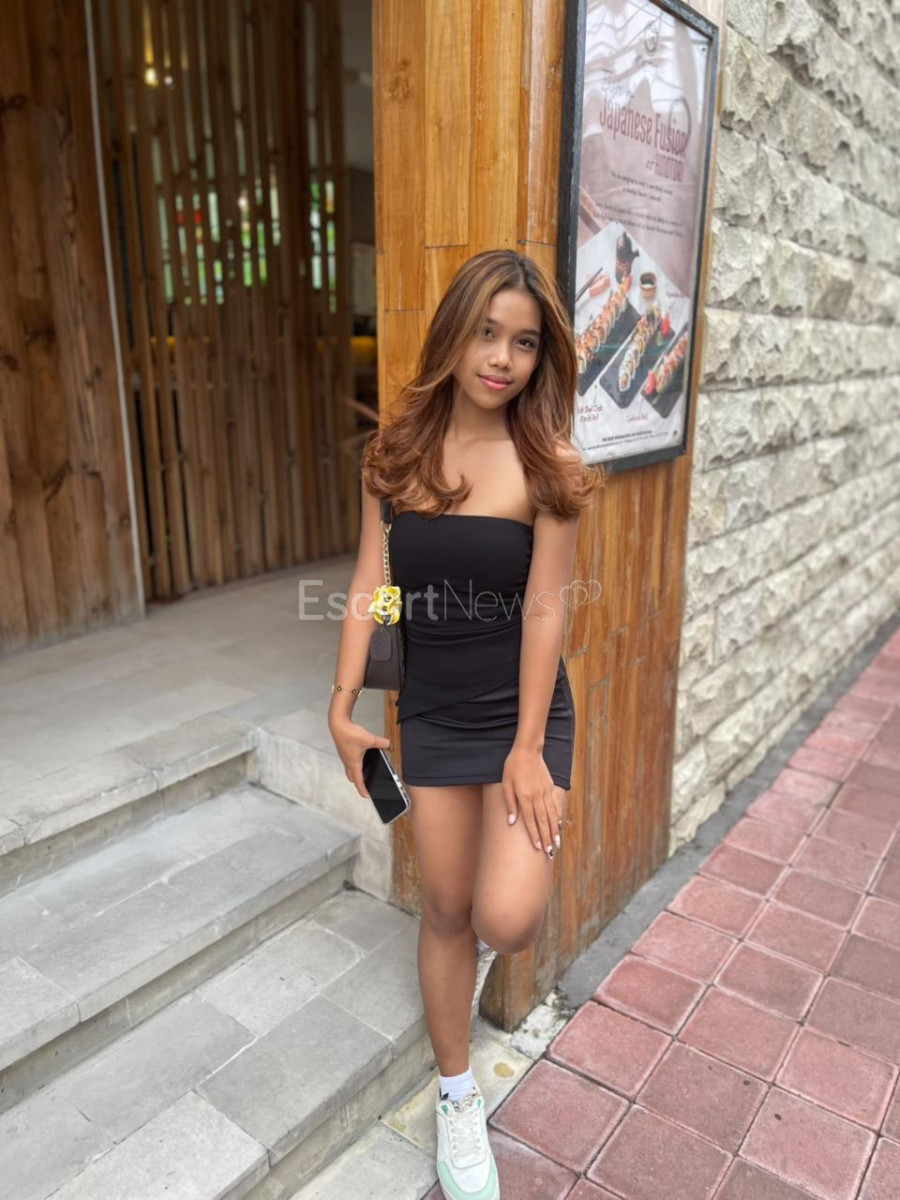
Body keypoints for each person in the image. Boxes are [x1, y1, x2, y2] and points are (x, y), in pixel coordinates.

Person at [328, 249, 604, 1200]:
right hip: (435, 710)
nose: (502, 359)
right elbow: (374, 585)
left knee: (507, 919)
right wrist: (343, 704)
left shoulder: (548, 465)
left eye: (524, 343)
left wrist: (528, 749)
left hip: (525, 712)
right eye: (487, 333)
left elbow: (546, 610)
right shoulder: (394, 455)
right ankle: (457, 1096)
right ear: (453, 332)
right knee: (446, 911)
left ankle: (498, 885)